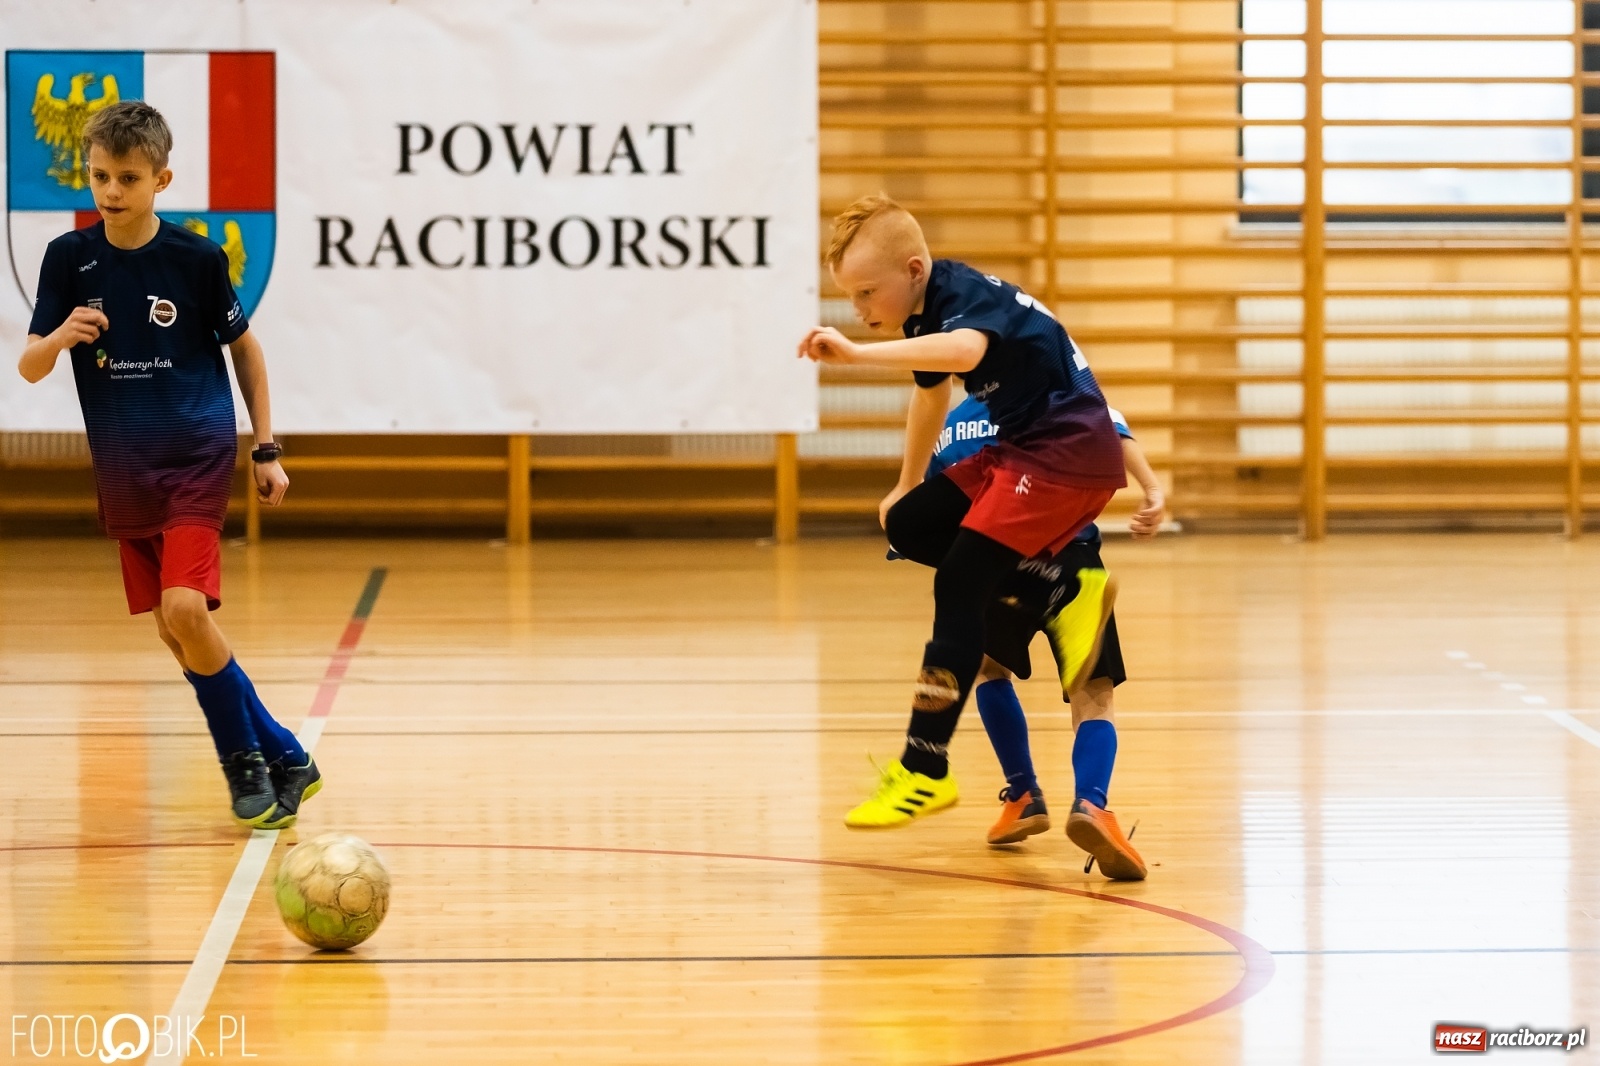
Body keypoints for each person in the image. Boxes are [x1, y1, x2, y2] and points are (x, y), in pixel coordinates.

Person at [798, 194, 1137, 878]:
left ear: (914, 270)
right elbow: (931, 393)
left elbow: (965, 350)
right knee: (910, 524)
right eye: (850, 296)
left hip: (1064, 454)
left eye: (866, 292)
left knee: (959, 583)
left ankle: (924, 766)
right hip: (1021, 449)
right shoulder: (927, 310)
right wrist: (904, 485)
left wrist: (859, 354)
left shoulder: (963, 298)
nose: (859, 308)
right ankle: (1050, 583)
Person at [16, 101, 319, 829]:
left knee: (185, 611)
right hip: (125, 467)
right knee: (173, 630)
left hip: (195, 452)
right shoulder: (68, 258)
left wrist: (265, 447)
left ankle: (242, 760)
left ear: (161, 179)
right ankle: (285, 751)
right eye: (100, 176)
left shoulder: (196, 259)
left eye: (127, 177)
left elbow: (246, 350)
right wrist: (59, 336)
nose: (111, 190)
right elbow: (29, 365)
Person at [920, 396, 1162, 881]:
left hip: (996, 562)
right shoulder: (1058, 395)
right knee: (1093, 694)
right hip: (1072, 559)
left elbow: (931, 509)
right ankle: (1091, 803)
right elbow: (1113, 427)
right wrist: (1152, 489)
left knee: (989, 669)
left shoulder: (952, 426)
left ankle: (1023, 792)